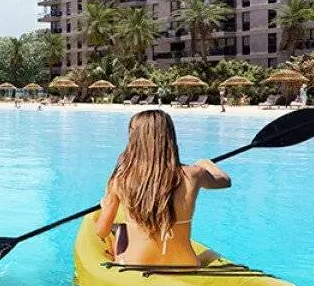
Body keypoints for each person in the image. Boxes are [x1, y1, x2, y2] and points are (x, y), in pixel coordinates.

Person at [93, 110, 231, 266]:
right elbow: (225, 181)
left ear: (134, 139)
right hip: (187, 265)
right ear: (170, 137)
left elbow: (101, 231)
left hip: (135, 265)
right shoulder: (194, 174)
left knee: (121, 230)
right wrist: (205, 164)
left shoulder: (120, 179)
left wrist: (106, 205)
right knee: (212, 254)